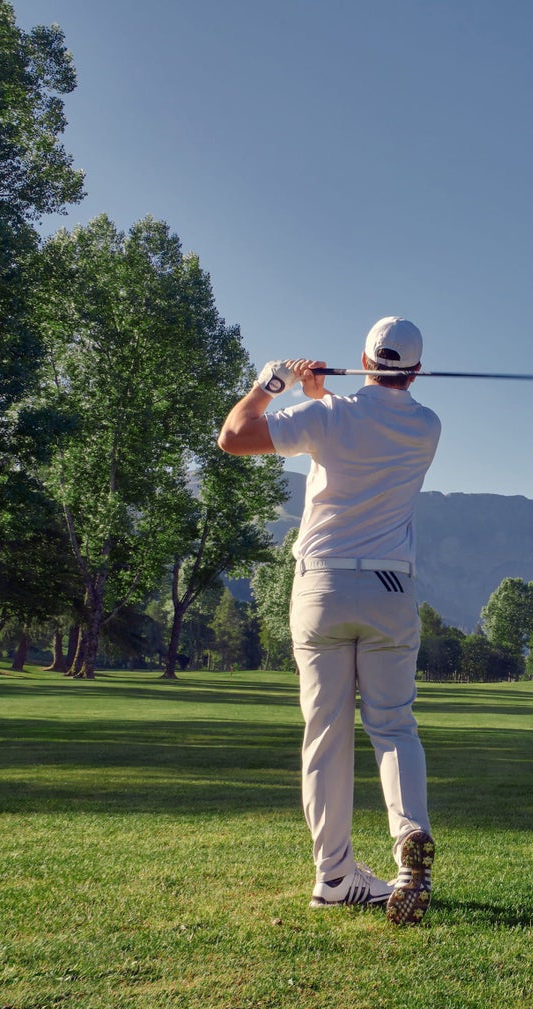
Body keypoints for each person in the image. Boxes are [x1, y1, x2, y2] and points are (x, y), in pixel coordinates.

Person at [217, 316, 441, 925]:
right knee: (394, 724)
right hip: (390, 589)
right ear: (415, 370)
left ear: (363, 359)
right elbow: (364, 424)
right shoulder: (426, 427)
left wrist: (272, 382)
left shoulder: (327, 417)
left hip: (322, 587)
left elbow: (234, 437)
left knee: (326, 733)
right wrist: (324, 398)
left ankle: (335, 873)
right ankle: (408, 838)